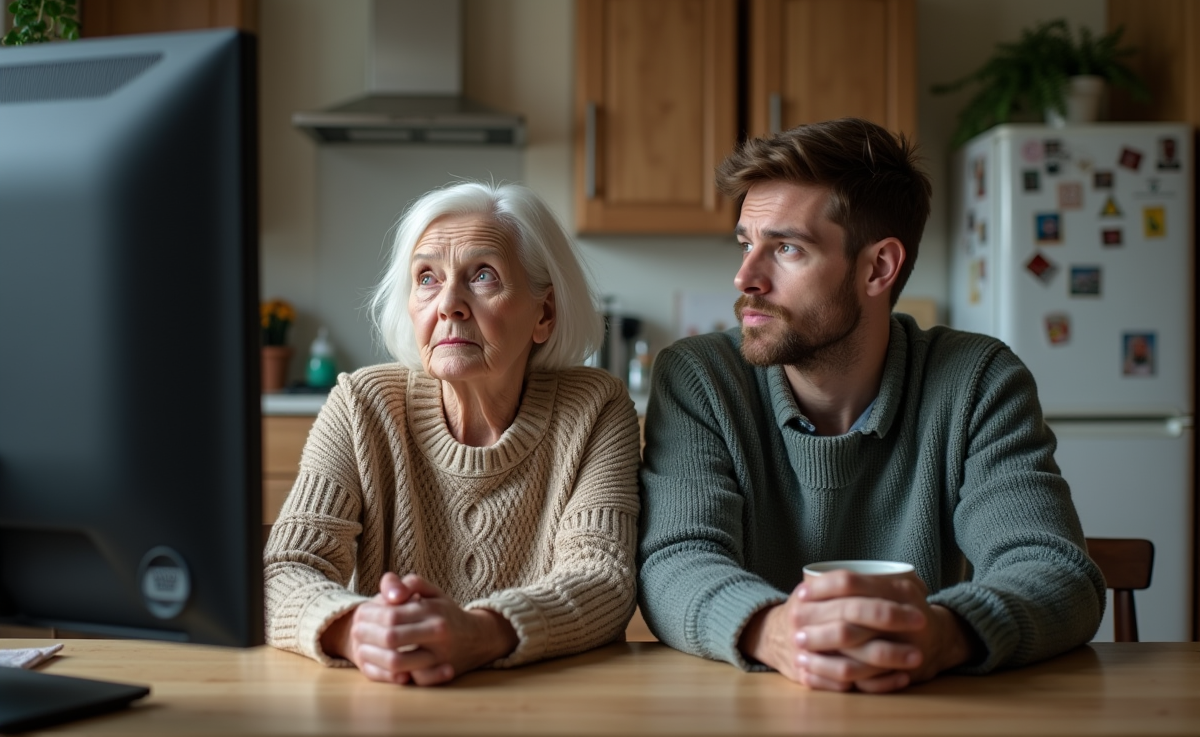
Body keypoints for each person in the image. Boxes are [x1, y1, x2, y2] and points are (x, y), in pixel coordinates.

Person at [637, 118, 1105, 693]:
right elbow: (676, 559)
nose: (745, 277)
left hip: (928, 707)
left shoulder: (977, 380)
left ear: (878, 267)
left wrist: (942, 633)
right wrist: (776, 630)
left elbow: (1054, 569)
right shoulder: (701, 377)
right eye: (745, 243)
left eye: (786, 248)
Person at [265, 181, 641, 685]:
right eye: (426, 278)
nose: (448, 304)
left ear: (544, 314)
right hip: (391, 697)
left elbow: (603, 579)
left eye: (482, 276)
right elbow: (283, 569)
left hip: (546, 703)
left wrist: (480, 632)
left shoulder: (595, 408)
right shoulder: (362, 405)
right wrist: (357, 629)